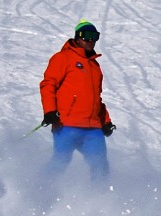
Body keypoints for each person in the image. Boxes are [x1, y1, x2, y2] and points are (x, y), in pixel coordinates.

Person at [39, 20, 115, 183]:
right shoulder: (63, 58)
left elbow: (96, 98)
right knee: (61, 161)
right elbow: (48, 84)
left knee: (100, 166)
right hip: (66, 124)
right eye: (86, 36)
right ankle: (40, 189)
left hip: (92, 128)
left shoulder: (95, 66)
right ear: (77, 37)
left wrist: (105, 121)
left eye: (94, 36)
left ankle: (99, 200)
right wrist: (50, 111)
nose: (90, 40)